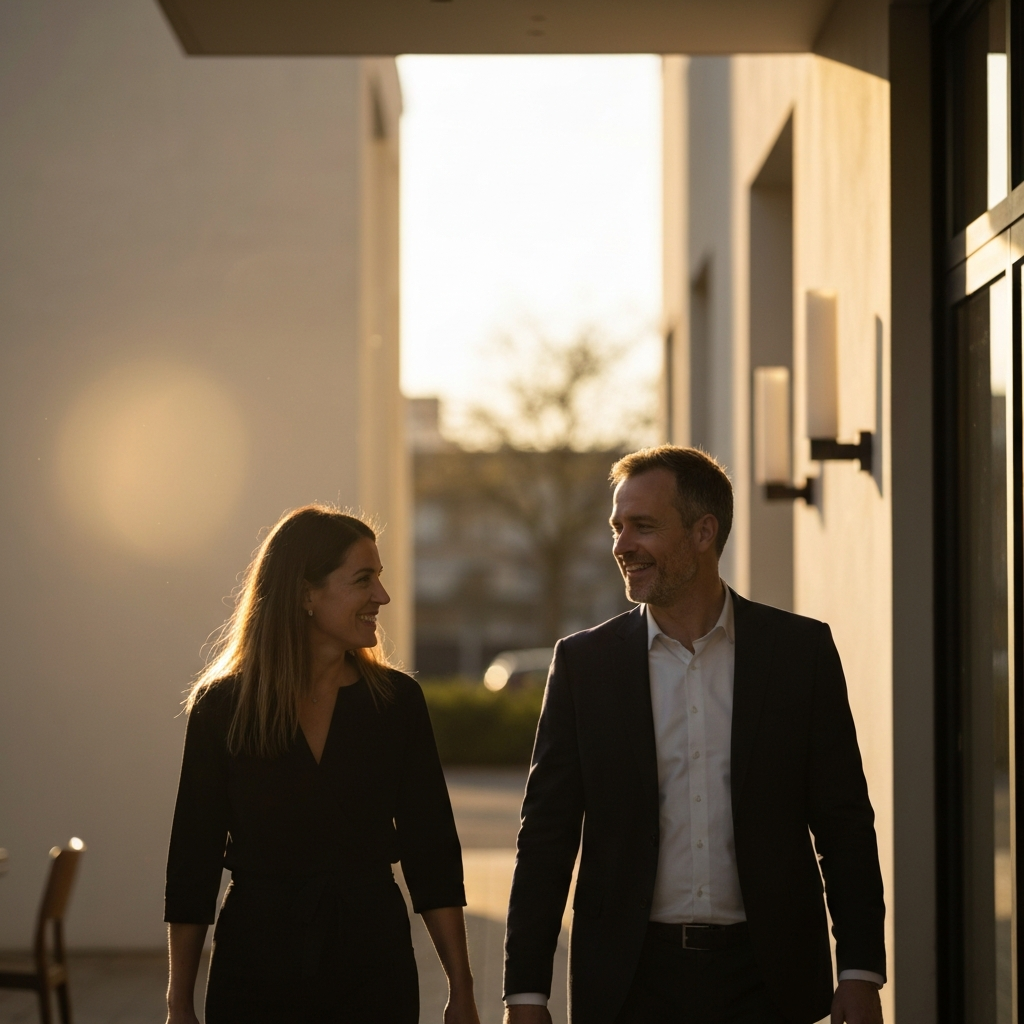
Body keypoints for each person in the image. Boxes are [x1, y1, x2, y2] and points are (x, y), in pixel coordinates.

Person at [503, 446, 886, 1024]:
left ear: (704, 532)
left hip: (770, 980)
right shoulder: (586, 666)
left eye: (644, 526)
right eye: (618, 527)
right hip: (631, 983)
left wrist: (859, 972)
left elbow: (844, 820)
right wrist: (526, 994)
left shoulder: (798, 654)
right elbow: (546, 838)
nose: (621, 545)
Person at [164, 505, 480, 1024]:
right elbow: (192, 860)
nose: (381, 596)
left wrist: (461, 989)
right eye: (363, 580)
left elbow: (432, 852)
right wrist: (179, 1003)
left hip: (373, 967)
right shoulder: (222, 708)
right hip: (255, 967)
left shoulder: (397, 703)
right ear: (305, 594)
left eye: (379, 579)